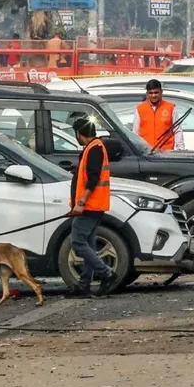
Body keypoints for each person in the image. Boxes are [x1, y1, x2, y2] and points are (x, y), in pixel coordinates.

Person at [66, 118, 118, 299]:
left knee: (78, 242)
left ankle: (106, 273)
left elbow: (93, 179)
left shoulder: (94, 149)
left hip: (89, 206)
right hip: (93, 205)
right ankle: (84, 285)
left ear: (79, 134)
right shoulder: (94, 147)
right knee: (88, 244)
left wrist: (80, 203)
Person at [133, 79, 186, 151]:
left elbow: (177, 130)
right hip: (146, 153)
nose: (153, 95)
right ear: (147, 94)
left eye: (156, 92)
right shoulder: (140, 109)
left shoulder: (170, 107)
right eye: (150, 93)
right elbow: (135, 133)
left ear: (161, 92)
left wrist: (181, 149)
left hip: (166, 152)